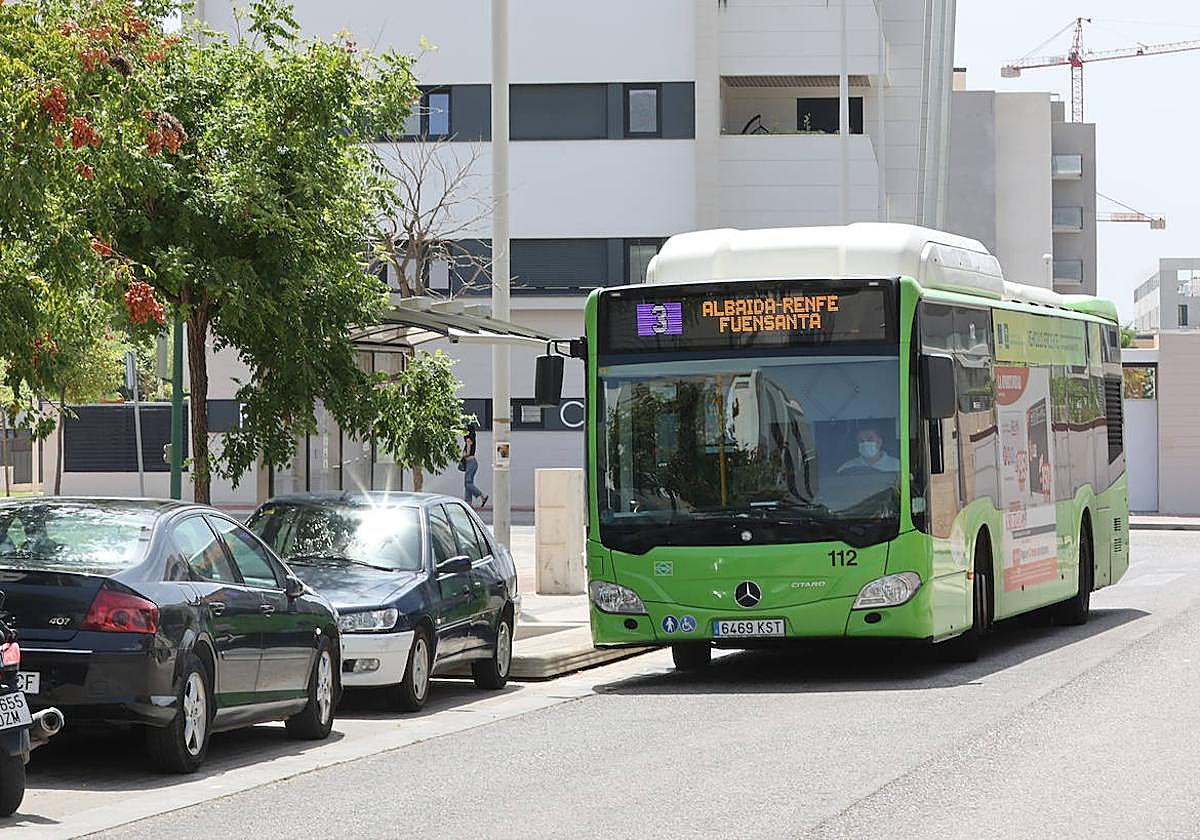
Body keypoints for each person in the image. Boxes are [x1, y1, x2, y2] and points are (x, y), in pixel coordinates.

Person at [462, 426, 487, 508]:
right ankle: (468, 503)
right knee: (468, 483)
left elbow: (468, 453)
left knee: (468, 483)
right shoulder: (472, 439)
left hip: (470, 462)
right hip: (472, 463)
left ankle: (482, 495)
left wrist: (464, 454)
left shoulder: (468, 440)